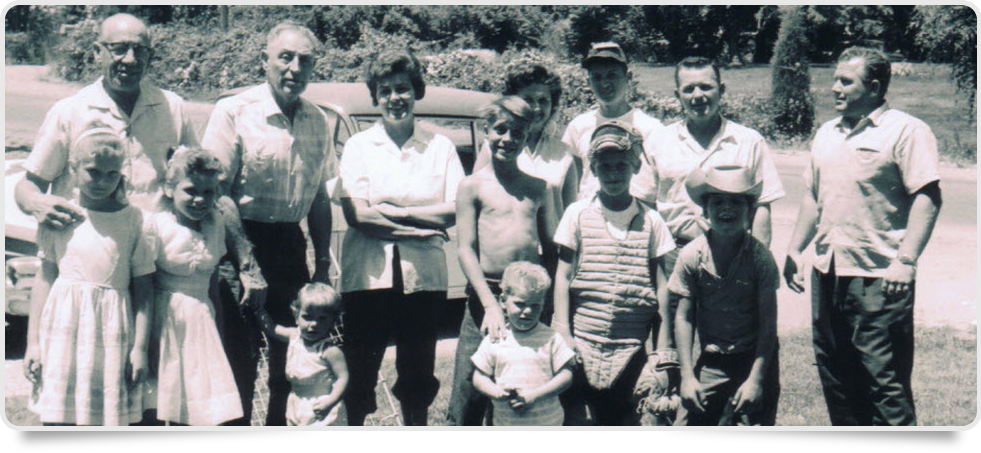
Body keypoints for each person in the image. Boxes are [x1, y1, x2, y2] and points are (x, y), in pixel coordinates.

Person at [784, 46, 942, 426]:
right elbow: (813, 196)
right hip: (828, 272)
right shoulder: (827, 133)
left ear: (873, 87)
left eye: (845, 81)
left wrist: (906, 260)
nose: (834, 88)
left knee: (884, 384)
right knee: (836, 376)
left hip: (879, 278)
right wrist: (795, 249)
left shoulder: (906, 131)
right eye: (834, 79)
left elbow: (928, 196)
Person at [201, 22, 335, 425]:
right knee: (238, 361)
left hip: (290, 248)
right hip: (238, 243)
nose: (295, 68)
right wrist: (247, 265)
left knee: (294, 359)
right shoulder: (234, 111)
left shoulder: (318, 120)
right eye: (285, 57)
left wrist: (323, 264)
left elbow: (319, 197)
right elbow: (217, 192)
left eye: (305, 60)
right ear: (265, 60)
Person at [335, 48, 465, 426]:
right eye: (386, 90)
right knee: (358, 374)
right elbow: (359, 215)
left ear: (416, 91)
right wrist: (422, 228)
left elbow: (454, 209)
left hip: (424, 278)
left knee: (418, 378)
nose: (395, 98)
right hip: (367, 276)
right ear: (375, 96)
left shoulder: (440, 147)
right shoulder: (359, 147)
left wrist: (399, 213)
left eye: (403, 88)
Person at [23, 129, 155, 425]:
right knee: (59, 417)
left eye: (112, 174)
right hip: (62, 333)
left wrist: (140, 348)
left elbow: (144, 290)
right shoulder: (58, 215)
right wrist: (33, 343)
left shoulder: (133, 220)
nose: (102, 181)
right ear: (73, 168)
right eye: (93, 171)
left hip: (110, 336)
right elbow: (45, 278)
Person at [15, 13, 199, 225]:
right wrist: (36, 203)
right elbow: (30, 184)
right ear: (97, 52)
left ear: (150, 56)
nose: (130, 59)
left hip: (157, 238)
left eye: (139, 50)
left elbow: (198, 174)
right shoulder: (70, 111)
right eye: (119, 48)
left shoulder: (172, 107)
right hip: (89, 237)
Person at [552, 122, 676, 425]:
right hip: (581, 341)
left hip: (630, 346)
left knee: (627, 421)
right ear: (593, 169)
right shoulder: (577, 214)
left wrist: (661, 350)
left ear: (634, 166)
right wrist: (563, 332)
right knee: (576, 423)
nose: (613, 173)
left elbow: (662, 288)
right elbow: (563, 277)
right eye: (605, 166)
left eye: (621, 165)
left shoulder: (652, 221)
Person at [449, 96, 550, 425]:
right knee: (470, 387)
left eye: (518, 132)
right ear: (486, 131)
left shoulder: (537, 188)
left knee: (518, 382)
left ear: (527, 136)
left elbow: (550, 249)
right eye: (500, 130)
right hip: (486, 296)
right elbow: (465, 249)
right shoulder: (472, 186)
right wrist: (490, 304)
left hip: (527, 298)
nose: (508, 138)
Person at [147, 147, 256, 426]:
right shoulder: (157, 226)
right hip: (165, 322)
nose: (199, 199)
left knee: (199, 406)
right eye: (190, 190)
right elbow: (144, 287)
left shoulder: (215, 225)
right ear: (169, 189)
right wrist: (148, 341)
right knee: (160, 402)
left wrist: (218, 334)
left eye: (208, 192)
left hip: (202, 323)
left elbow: (213, 289)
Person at [647, 56, 785, 275]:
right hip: (673, 254)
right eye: (688, 89)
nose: (697, 96)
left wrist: (756, 263)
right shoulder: (659, 141)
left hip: (734, 255)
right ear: (677, 95)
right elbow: (646, 205)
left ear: (721, 90)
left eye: (706, 87)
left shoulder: (749, 141)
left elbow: (762, 205)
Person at [670, 165, 780, 426]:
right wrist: (687, 377)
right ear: (704, 210)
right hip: (713, 361)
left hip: (754, 359)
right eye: (718, 202)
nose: (726, 209)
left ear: (750, 211)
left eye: (736, 202)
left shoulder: (760, 259)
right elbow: (684, 318)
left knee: (753, 420)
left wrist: (755, 380)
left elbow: (768, 323)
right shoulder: (692, 256)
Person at [471, 262, 576, 426]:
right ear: (503, 301)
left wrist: (535, 395)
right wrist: (496, 392)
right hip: (507, 423)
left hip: (547, 422)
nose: (528, 311)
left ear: (543, 304)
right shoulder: (496, 339)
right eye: (520, 304)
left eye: (535, 305)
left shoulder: (551, 338)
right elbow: (478, 377)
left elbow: (566, 376)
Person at [562, 42, 662, 205]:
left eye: (612, 75)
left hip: (640, 213)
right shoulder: (577, 126)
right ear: (588, 82)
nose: (604, 84)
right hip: (591, 214)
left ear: (628, 78)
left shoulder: (652, 128)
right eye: (597, 77)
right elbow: (572, 185)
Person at [255, 283, 349, 426]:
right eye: (307, 317)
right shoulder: (294, 336)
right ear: (296, 316)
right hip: (296, 402)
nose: (314, 324)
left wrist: (330, 401)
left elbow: (342, 378)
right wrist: (258, 310)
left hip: (321, 405)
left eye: (322, 318)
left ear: (333, 322)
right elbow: (272, 329)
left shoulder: (330, 350)